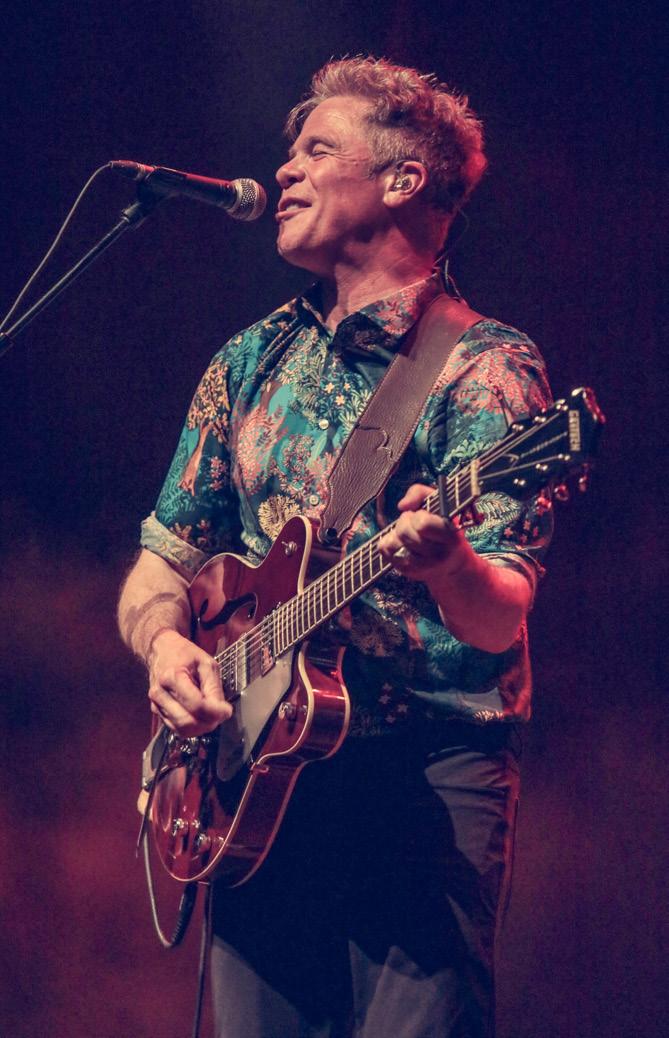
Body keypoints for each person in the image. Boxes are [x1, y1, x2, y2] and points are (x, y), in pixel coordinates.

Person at [118, 56, 553, 1038]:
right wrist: (166, 644)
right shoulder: (246, 362)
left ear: (401, 180)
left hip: (423, 782)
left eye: (317, 149)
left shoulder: (486, 367)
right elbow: (160, 568)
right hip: (254, 781)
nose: (286, 170)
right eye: (290, 153)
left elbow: (497, 619)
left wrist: (448, 563)